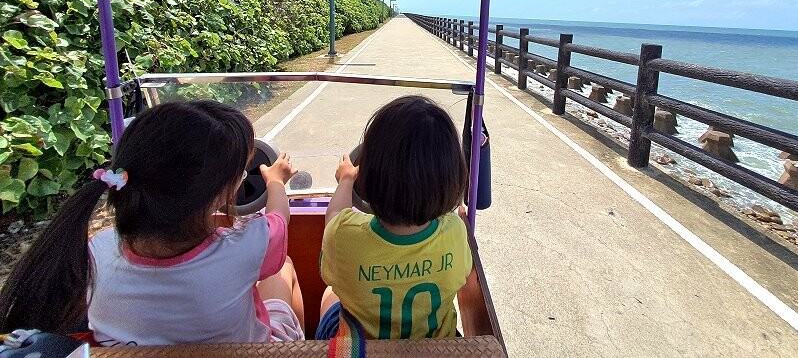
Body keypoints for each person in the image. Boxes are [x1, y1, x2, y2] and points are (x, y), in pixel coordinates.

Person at [0, 100, 305, 345]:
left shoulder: (96, 251)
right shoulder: (247, 246)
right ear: (220, 193)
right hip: (246, 348)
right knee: (285, 269)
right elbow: (279, 217)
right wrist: (275, 182)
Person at [316, 95, 473, 340]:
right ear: (452, 177)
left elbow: (335, 216)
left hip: (363, 349)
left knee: (329, 296)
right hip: (436, 348)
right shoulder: (454, 230)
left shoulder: (344, 235)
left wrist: (346, 180)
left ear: (370, 175)